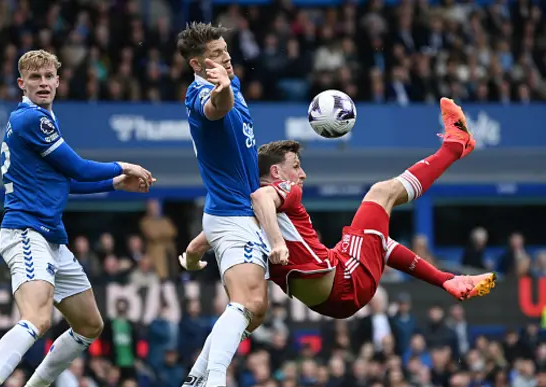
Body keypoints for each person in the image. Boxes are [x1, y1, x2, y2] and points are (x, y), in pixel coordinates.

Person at [0, 49, 154, 387]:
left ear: (58, 80)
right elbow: (78, 168)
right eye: (35, 78)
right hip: (26, 231)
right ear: (22, 84)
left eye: (49, 76)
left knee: (89, 324)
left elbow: (61, 181)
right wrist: (126, 165)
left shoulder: (43, 117)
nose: (44, 83)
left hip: (50, 236)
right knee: (37, 318)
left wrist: (114, 183)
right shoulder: (31, 118)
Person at [181, 97, 495, 330]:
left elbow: (213, 233)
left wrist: (193, 256)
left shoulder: (256, 206)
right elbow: (261, 197)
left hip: (337, 287)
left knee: (380, 241)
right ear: (276, 172)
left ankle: (448, 281)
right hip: (344, 281)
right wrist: (276, 243)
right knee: (380, 193)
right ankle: (454, 146)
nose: (301, 175)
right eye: (296, 167)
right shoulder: (281, 192)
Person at [171, 22, 273, 387]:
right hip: (232, 214)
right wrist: (221, 86)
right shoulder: (200, 92)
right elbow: (219, 107)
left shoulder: (230, 82)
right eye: (217, 55)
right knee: (248, 302)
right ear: (198, 63)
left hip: (231, 212)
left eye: (227, 50)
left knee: (256, 310)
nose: (227, 58)